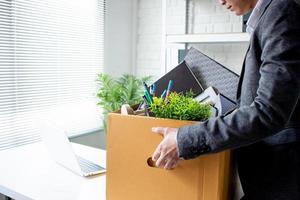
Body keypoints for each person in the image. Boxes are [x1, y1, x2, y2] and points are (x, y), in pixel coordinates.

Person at [151, 0, 300, 199]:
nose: (220, 1)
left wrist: (183, 140)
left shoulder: (281, 13)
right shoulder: (269, 17)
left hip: (282, 183)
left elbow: (268, 112)